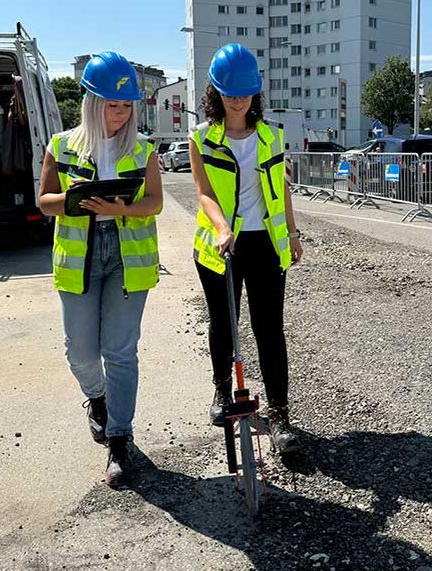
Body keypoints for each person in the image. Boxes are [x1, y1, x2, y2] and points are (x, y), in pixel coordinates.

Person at [38, 52, 162, 487]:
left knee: (120, 352)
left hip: (127, 259)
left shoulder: (143, 148)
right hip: (81, 257)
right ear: (92, 103)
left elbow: (155, 204)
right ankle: (97, 397)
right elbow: (44, 202)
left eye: (126, 106)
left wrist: (121, 207)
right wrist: (72, 198)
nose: (120, 113)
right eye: (112, 105)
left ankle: (119, 440)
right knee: (81, 352)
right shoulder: (60, 145)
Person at [189, 44, 303, 457]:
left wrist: (291, 232)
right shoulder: (202, 138)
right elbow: (203, 192)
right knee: (224, 323)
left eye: (245, 92)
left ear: (256, 92)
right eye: (229, 92)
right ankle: (222, 391)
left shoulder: (272, 136)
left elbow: (281, 188)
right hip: (221, 245)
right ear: (215, 92)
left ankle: (280, 417)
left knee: (269, 329)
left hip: (265, 245)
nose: (238, 100)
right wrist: (221, 228)